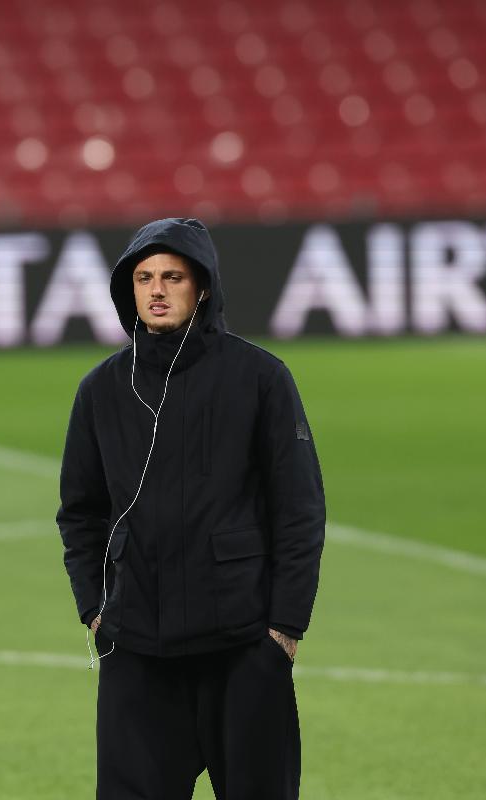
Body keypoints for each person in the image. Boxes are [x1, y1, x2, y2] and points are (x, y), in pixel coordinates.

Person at [56, 218, 325, 799]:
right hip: (137, 651)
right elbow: (80, 512)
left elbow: (299, 510)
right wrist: (95, 610)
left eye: (172, 277)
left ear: (202, 287)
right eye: (144, 278)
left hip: (242, 647)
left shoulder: (261, 378)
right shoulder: (101, 389)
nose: (156, 290)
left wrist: (285, 627)